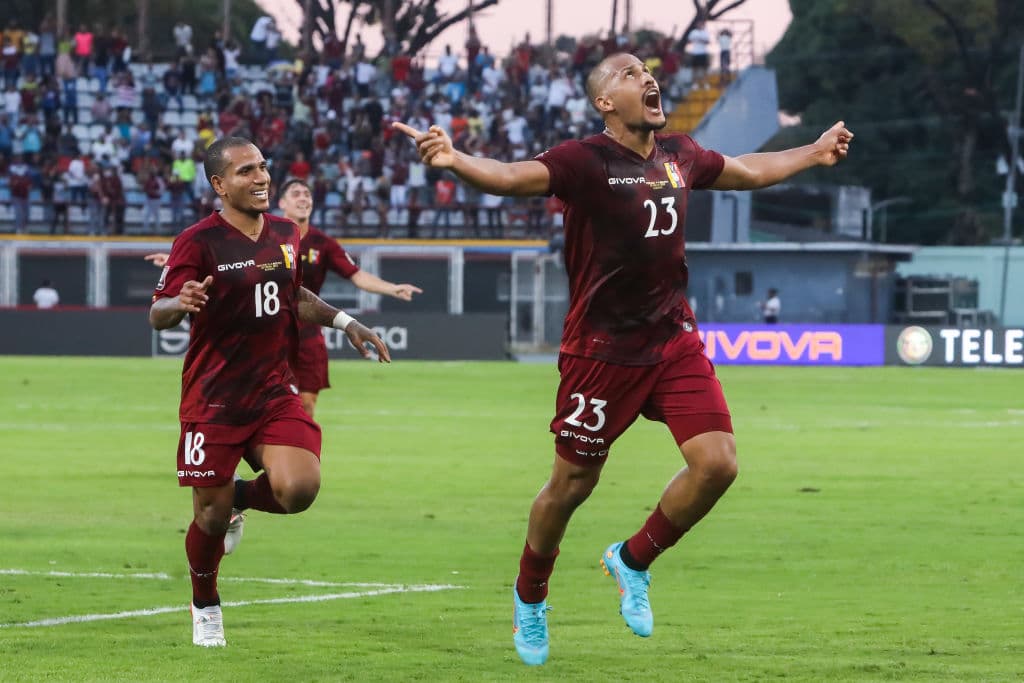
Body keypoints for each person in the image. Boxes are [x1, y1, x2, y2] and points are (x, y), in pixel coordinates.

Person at [394, 52, 853, 666]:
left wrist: (812, 152)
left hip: (671, 339)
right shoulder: (584, 161)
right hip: (601, 353)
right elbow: (511, 176)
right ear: (606, 103)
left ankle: (633, 559)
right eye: (630, 74)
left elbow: (746, 169)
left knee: (717, 464)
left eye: (648, 72)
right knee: (571, 486)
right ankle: (530, 593)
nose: (648, 79)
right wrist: (456, 160)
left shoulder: (680, 153)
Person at [148, 136, 391, 648]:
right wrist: (179, 302)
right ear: (219, 185)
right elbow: (157, 313)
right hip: (213, 399)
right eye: (245, 171)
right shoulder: (197, 241)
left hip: (273, 391)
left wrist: (346, 322)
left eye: (262, 167)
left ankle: (238, 494)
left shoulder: (285, 232)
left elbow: (292, 294)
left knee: (299, 488)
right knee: (209, 518)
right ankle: (205, 603)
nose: (260, 177)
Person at [148, 177, 423, 417]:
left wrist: (392, 288)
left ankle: (292, 450)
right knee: (257, 407)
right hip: (264, 335)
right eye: (296, 194)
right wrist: (179, 263)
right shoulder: (262, 235)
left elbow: (357, 275)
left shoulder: (323, 243)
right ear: (282, 203)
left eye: (307, 194)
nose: (303, 198)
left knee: (305, 407)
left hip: (308, 334)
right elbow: (227, 262)